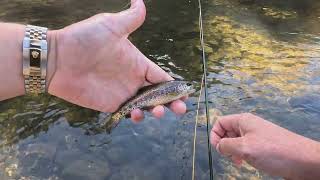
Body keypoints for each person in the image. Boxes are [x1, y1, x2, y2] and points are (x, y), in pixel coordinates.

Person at [0, 0, 319, 179]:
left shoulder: (170, 89)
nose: (186, 90)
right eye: (185, 87)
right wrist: (55, 55)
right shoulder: (174, 90)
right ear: (178, 89)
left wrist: (55, 56)